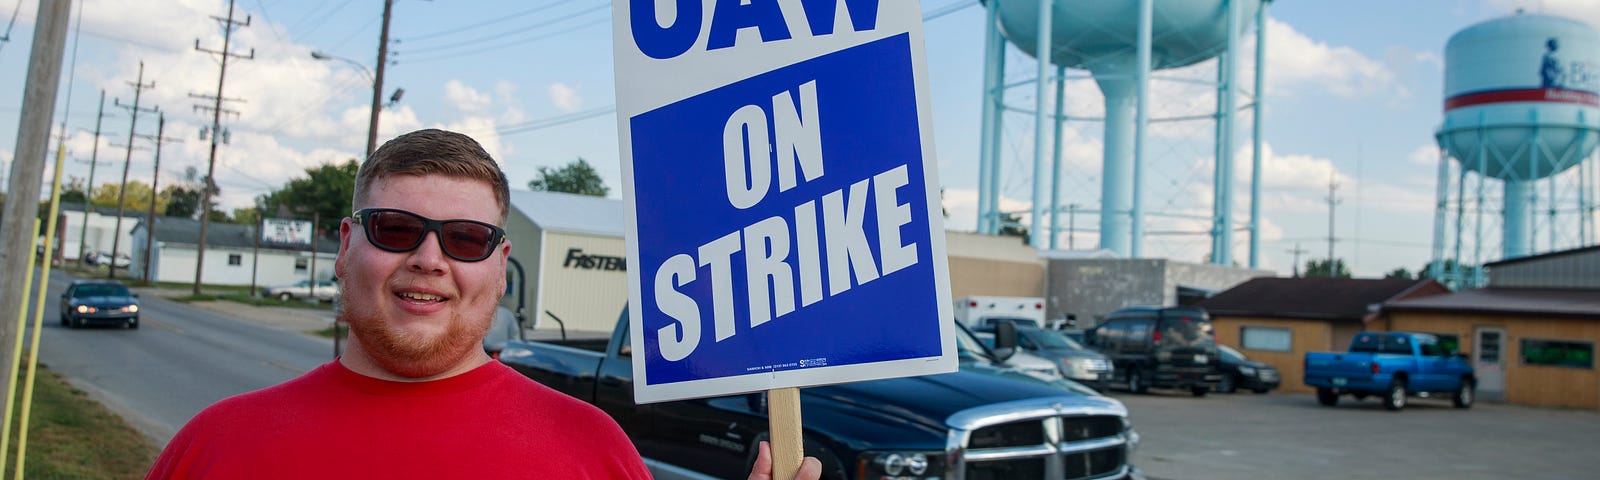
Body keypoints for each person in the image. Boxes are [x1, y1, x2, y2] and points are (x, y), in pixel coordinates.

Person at [146, 129, 820, 479]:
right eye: (397, 229)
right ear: (346, 245)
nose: (430, 260)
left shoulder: (593, 451)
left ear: (499, 268)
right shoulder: (214, 447)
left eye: (466, 239)